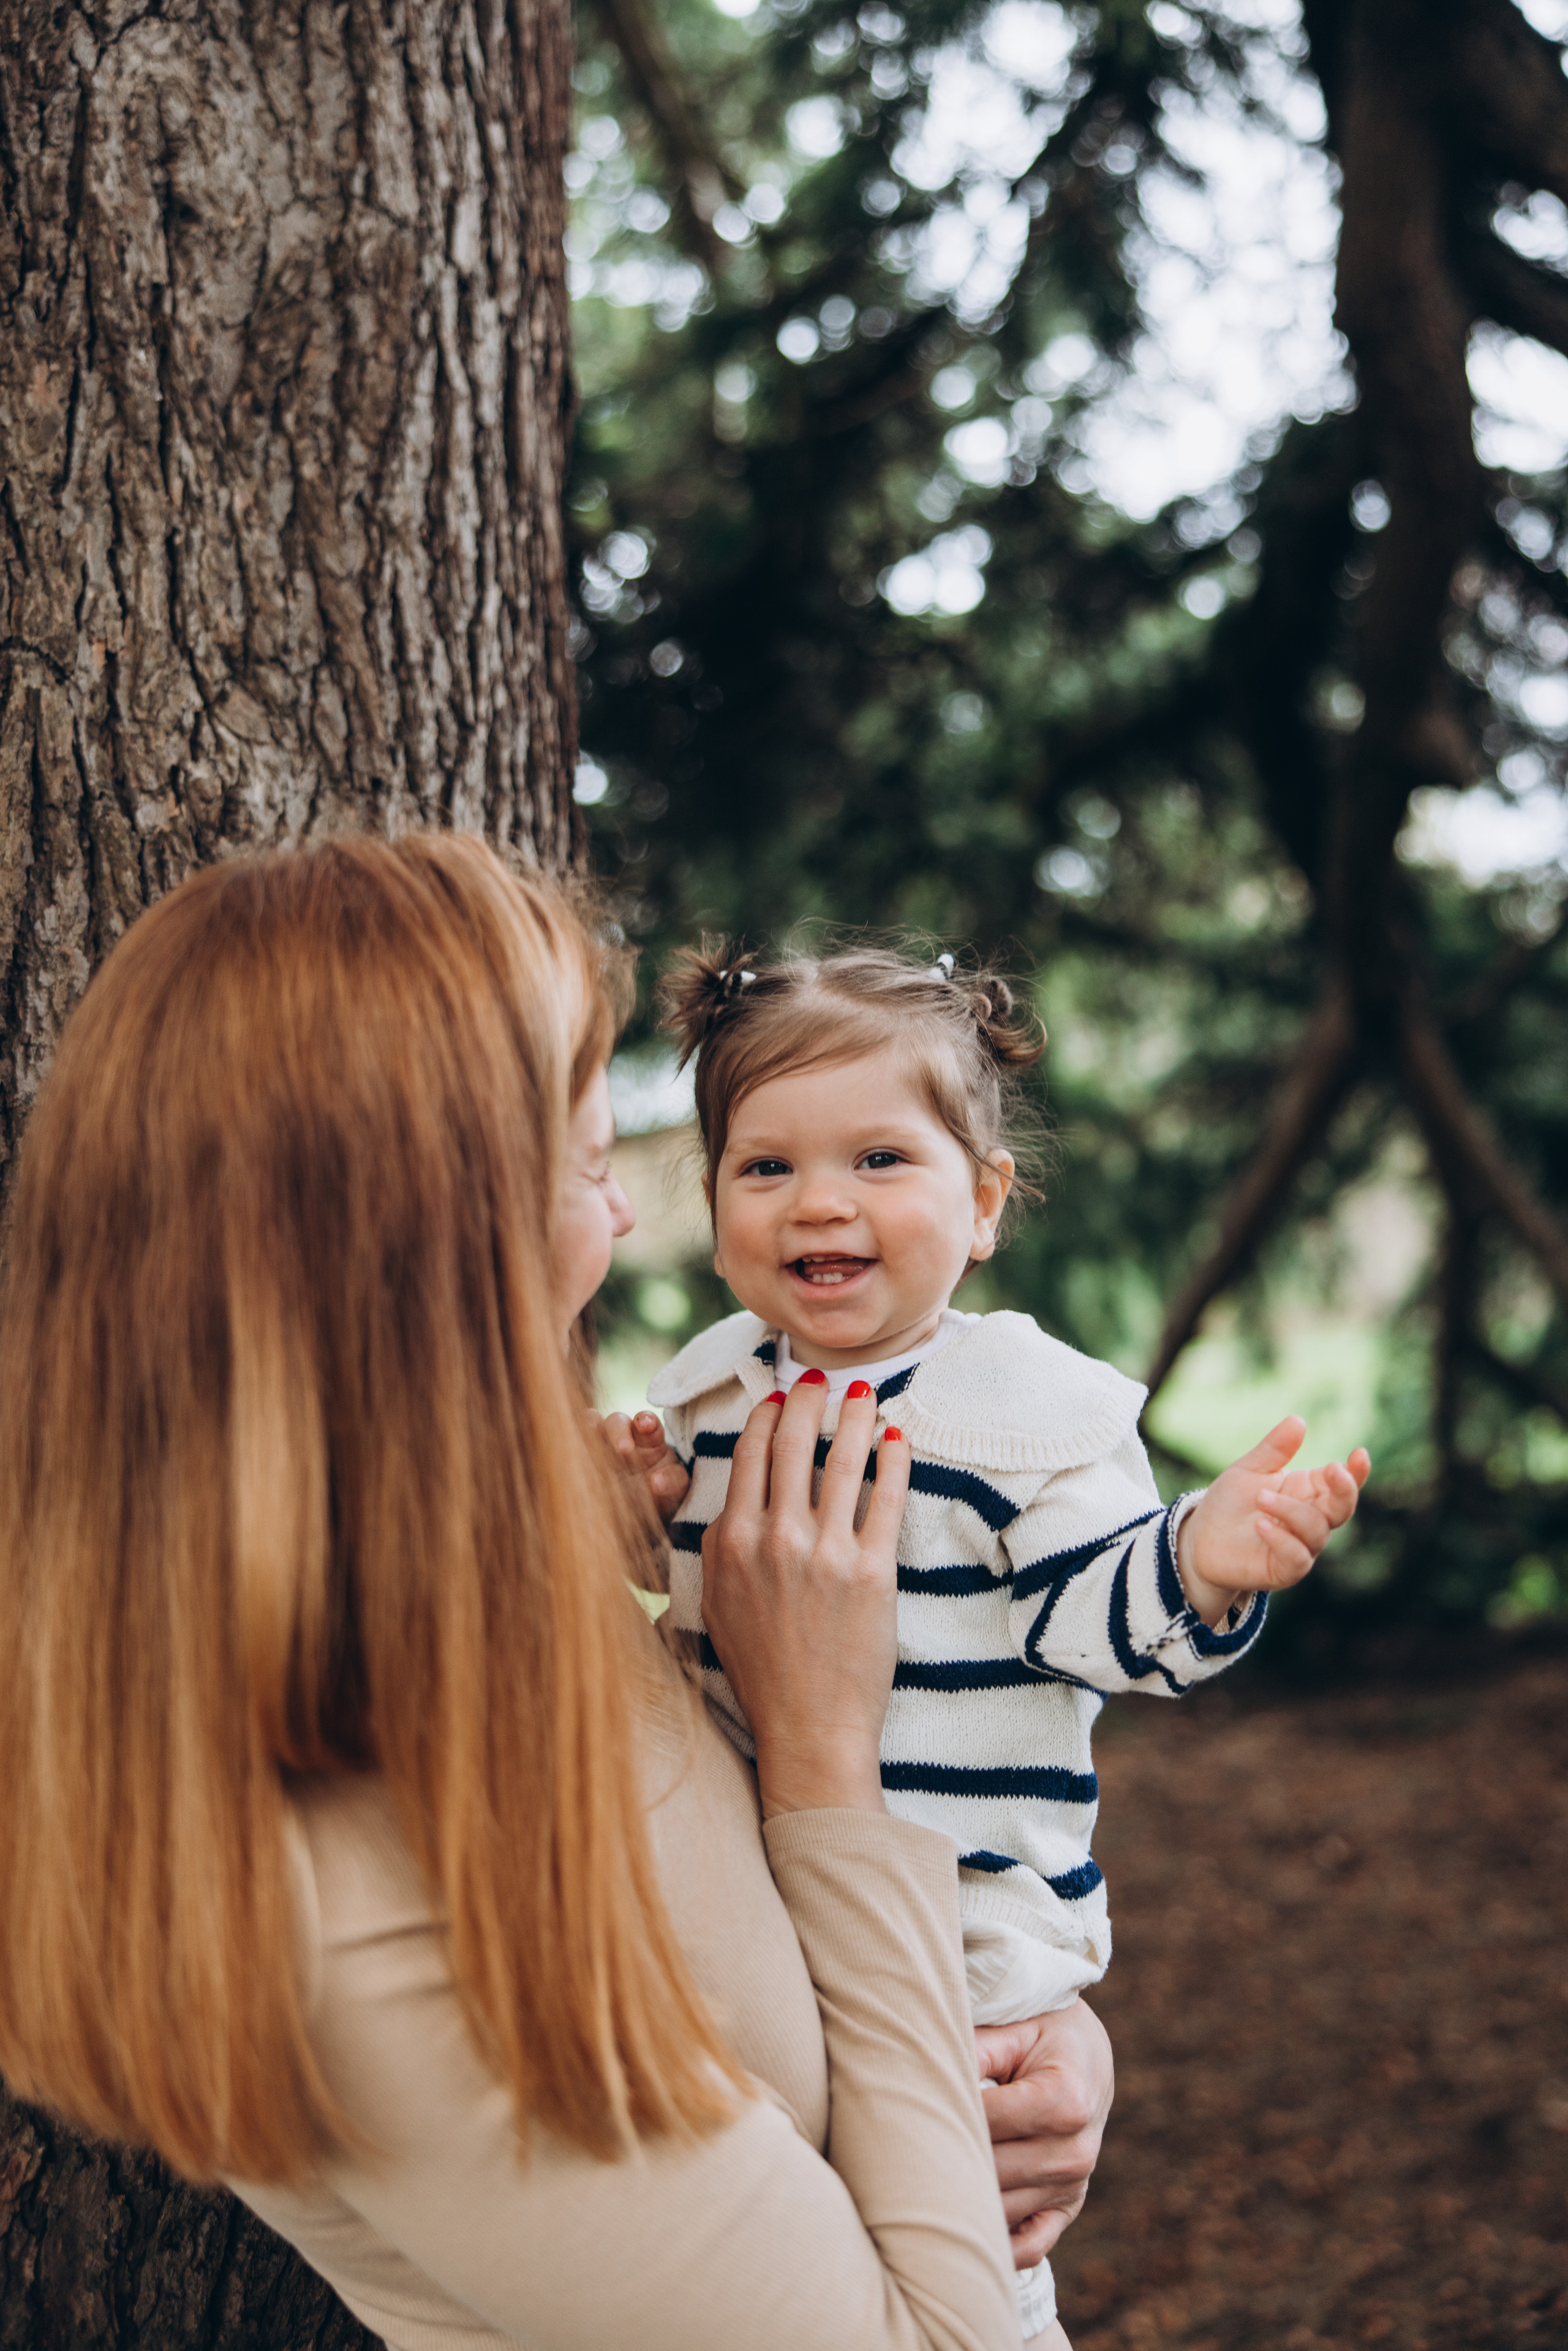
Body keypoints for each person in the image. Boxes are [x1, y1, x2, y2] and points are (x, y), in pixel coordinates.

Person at [0, 836, 1110, 2351]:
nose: (628, 1221)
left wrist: (1030, 2037)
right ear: (426, 1252)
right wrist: (823, 1761)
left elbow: (768, 1996)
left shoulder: (497, 1599)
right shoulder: (344, 1900)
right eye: (593, 1169)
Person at [629, 939, 1371, 2345]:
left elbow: (1099, 1621)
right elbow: (670, 1600)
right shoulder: (708, 1393)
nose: (819, 1201)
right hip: (754, 1896)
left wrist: (1198, 1566)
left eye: (877, 1160)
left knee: (959, 2207)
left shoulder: (1021, 1411)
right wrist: (626, 1509)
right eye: (764, 1166)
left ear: (979, 1204)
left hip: (963, 1919)